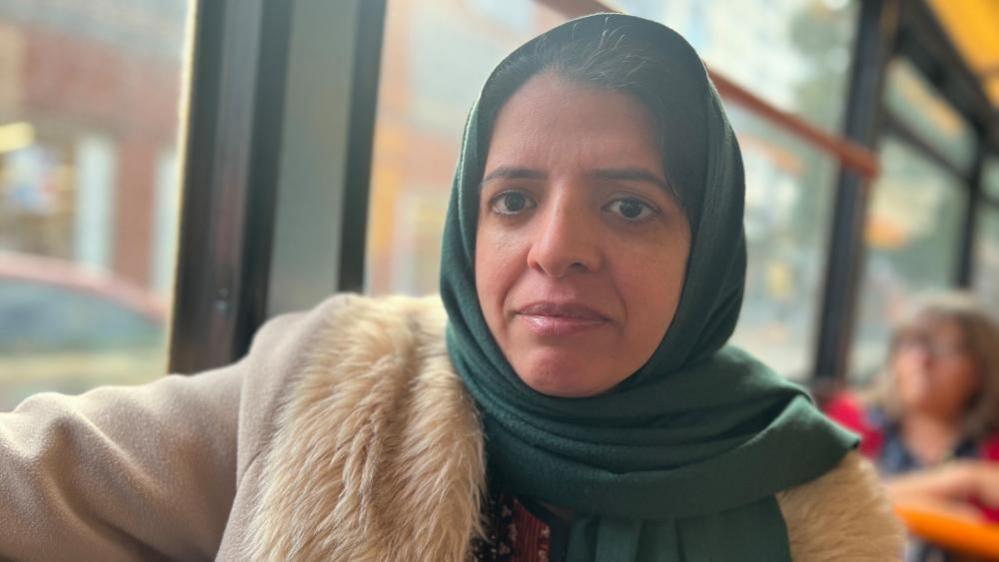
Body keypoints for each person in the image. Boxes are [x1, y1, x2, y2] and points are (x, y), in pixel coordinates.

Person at [1, 14, 902, 561]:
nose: (556, 249)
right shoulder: (337, 390)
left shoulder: (807, 499)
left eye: (628, 208)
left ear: (705, 250)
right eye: (512, 199)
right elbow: (37, 479)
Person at [826, 293, 999, 561]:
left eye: (945, 348)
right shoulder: (852, 418)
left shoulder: (993, 446)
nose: (922, 359)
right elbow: (825, 502)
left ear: (980, 370)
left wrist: (894, 499)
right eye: (910, 344)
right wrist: (964, 480)